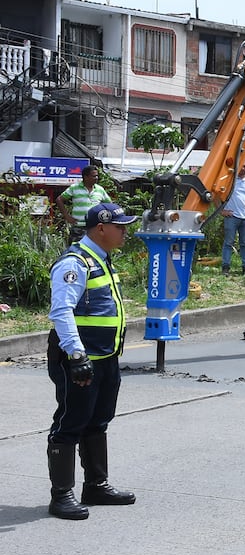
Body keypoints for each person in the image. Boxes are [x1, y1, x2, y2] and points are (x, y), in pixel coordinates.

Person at [46, 201, 140, 520]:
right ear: (101, 228)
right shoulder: (75, 263)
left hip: (104, 357)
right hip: (79, 358)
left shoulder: (102, 260)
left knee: (99, 420)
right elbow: (61, 311)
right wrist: (76, 354)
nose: (124, 231)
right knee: (71, 421)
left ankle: (96, 485)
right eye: (120, 226)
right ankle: (61, 495)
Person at [57, 163, 110, 244]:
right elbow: (59, 200)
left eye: (97, 176)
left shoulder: (100, 190)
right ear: (86, 177)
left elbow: (109, 204)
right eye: (93, 176)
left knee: (93, 252)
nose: (96, 178)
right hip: (79, 228)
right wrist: (67, 216)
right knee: (77, 252)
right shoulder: (74, 188)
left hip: (95, 228)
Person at [220, 161, 245, 276]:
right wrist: (221, 211)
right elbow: (215, 195)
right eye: (241, 166)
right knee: (228, 243)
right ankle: (225, 267)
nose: (243, 168)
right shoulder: (229, 179)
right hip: (232, 217)